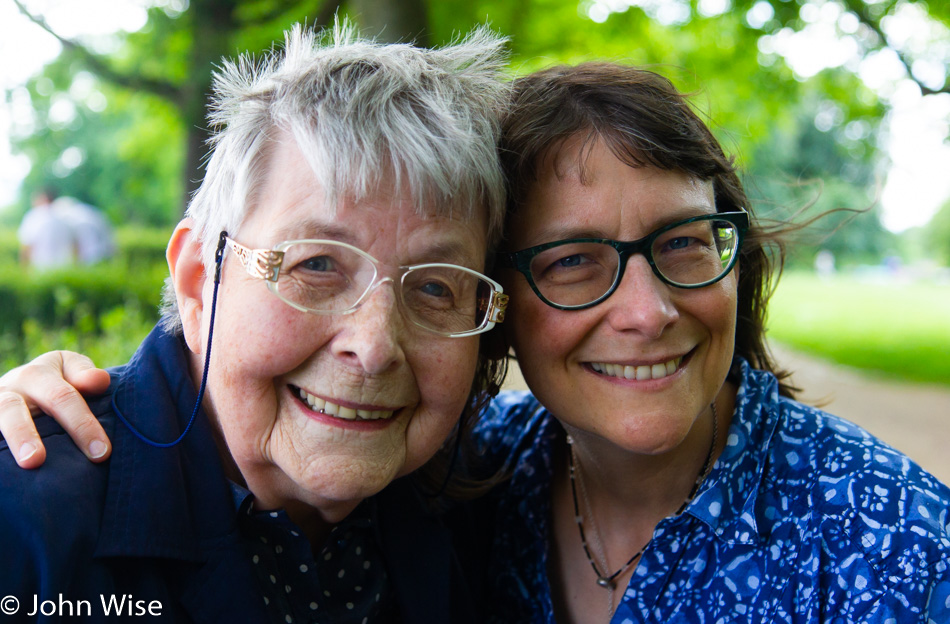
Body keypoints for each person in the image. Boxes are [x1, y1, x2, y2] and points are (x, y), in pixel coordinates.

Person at [4, 63, 950, 623]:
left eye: (683, 243)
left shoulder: (900, 543)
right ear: (200, 281)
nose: (647, 310)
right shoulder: (472, 480)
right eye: (576, 260)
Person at [0, 21, 510, 624]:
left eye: (433, 287)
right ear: (198, 281)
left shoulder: (491, 503)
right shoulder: (25, 527)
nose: (374, 348)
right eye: (316, 264)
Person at [17, 187, 78, 269]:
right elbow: (75, 245)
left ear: (43, 198)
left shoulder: (34, 216)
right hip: (65, 269)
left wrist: (24, 269)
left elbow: (26, 246)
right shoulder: (64, 216)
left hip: (41, 269)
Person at [52, 195, 116, 265]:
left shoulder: (69, 216)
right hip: (103, 252)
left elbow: (74, 243)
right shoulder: (87, 211)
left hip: (89, 256)